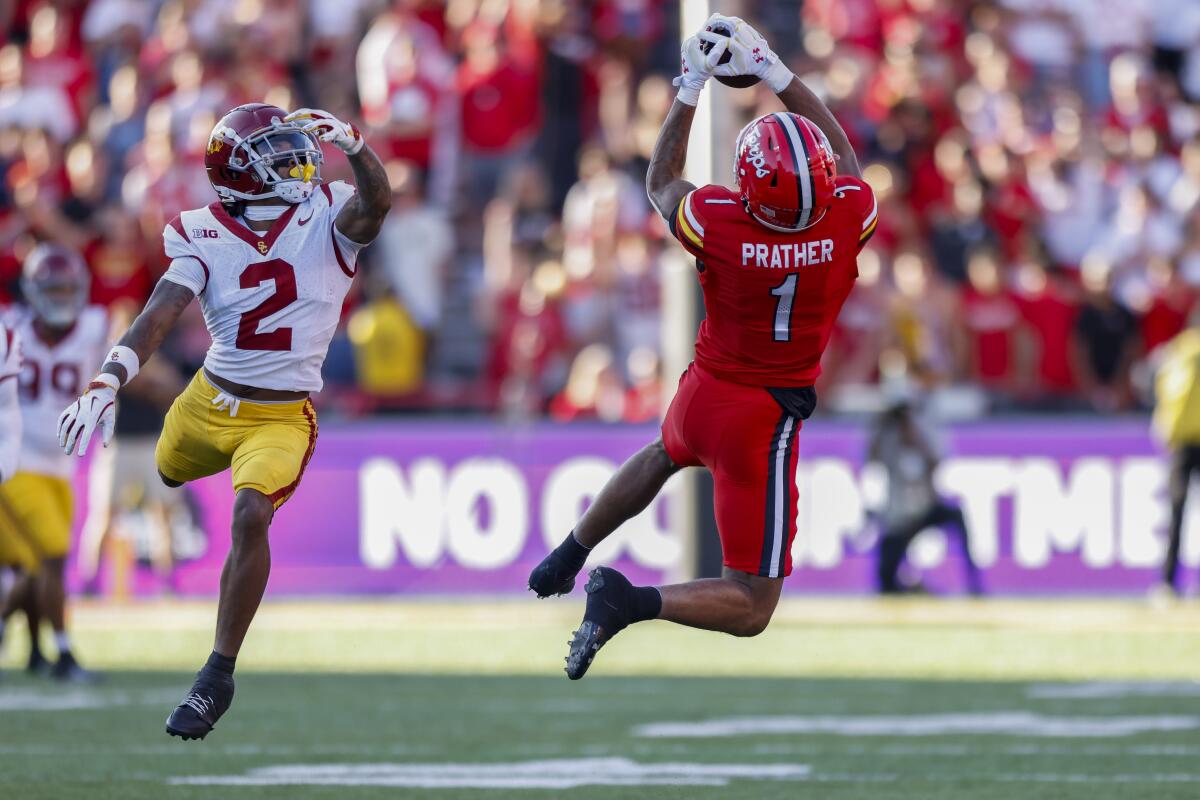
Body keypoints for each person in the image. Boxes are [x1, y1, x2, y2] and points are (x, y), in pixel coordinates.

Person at [528, 16, 877, 679]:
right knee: (752, 603)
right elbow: (850, 166)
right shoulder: (844, 218)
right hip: (762, 416)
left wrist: (689, 87)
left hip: (704, 391)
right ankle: (630, 600)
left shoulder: (720, 220)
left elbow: (662, 181)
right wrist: (776, 73)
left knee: (664, 454)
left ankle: (570, 550)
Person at [56, 103, 390, 738]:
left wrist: (356, 144)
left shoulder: (328, 211)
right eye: (278, 151)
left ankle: (217, 675)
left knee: (250, 513)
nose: (300, 158)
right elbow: (161, 310)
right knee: (165, 469)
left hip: (280, 417)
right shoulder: (200, 231)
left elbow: (377, 204)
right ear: (242, 172)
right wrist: (108, 379)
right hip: (205, 402)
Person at [0, 244, 108, 682]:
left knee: (33, 566)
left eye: (68, 288)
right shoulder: (10, 327)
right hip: (17, 461)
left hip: (60, 467)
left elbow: (130, 341)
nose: (62, 297)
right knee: (52, 555)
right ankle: (64, 653)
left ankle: (31, 649)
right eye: (53, 288)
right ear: (32, 290)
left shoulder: (96, 326)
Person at [867, 393, 982, 596]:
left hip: (925, 507)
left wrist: (914, 436)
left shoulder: (921, 434)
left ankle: (974, 584)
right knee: (886, 580)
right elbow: (872, 458)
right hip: (899, 516)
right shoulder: (888, 441)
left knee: (957, 515)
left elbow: (935, 462)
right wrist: (882, 424)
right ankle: (908, 588)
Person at [1151, 319, 1200, 597]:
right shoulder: (1188, 351)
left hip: (1183, 441)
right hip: (1189, 439)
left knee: (1176, 512)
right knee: (1177, 511)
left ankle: (1168, 582)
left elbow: (1173, 394)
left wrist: (1168, 429)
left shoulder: (1181, 350)